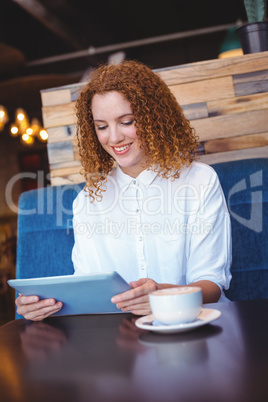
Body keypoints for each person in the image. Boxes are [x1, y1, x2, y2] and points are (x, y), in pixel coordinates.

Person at [16, 60, 232, 321]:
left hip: (193, 326)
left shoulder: (199, 181)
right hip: (121, 341)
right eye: (102, 126)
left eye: (127, 121)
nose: (114, 138)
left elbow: (212, 285)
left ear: (154, 118)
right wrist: (43, 306)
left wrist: (163, 295)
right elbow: (87, 286)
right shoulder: (88, 200)